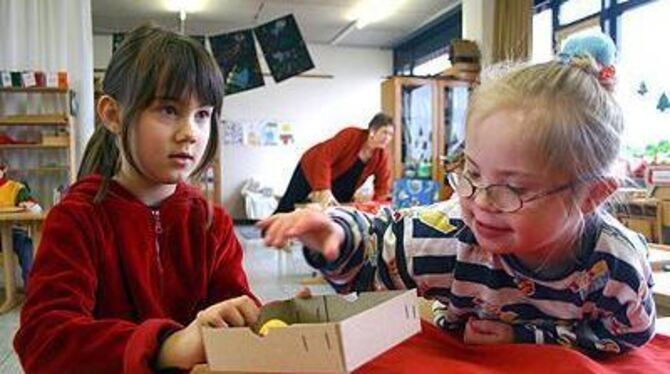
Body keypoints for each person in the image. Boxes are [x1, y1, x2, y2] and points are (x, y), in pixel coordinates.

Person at [259, 51, 656, 355]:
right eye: (473, 172)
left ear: (592, 195)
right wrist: (337, 236)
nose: (480, 201)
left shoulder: (617, 267)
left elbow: (627, 337)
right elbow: (377, 245)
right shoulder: (451, 234)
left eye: (513, 188)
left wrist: (529, 337)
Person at [13, 25, 259, 373]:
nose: (190, 132)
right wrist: (166, 346)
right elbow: (44, 341)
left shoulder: (211, 223)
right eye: (168, 110)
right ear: (113, 114)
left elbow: (233, 311)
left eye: (202, 114)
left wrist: (267, 325)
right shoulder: (77, 218)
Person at [274, 113, 394, 213]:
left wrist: (377, 207)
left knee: (339, 212)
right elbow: (324, 158)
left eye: (390, 134)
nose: (388, 138)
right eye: (385, 132)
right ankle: (268, 230)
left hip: (343, 181)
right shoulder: (350, 135)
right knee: (289, 203)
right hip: (313, 166)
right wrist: (323, 189)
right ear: (372, 131)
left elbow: (382, 186)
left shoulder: (382, 156)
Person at [0, 157, 42, 287]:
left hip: (14, 233)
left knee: (27, 247)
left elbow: (37, 208)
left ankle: (31, 292)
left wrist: (29, 206)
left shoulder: (16, 188)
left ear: (4, 169)